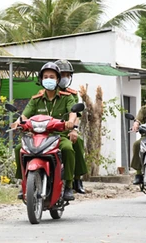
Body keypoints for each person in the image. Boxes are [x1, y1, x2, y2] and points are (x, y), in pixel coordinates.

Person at [11, 62, 77, 201]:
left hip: (58, 136)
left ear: (57, 80)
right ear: (41, 80)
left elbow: (73, 112)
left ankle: (69, 184)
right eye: (45, 76)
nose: (48, 79)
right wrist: (18, 122)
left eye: (52, 77)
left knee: (68, 149)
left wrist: (70, 122)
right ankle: (22, 181)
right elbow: (25, 115)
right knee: (19, 149)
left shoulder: (67, 97)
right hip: (38, 136)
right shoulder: (36, 99)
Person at [54, 59, 88, 194]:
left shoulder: (72, 95)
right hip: (47, 130)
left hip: (66, 130)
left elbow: (75, 114)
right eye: (62, 74)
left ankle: (77, 178)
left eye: (67, 75)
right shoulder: (43, 93)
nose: (64, 78)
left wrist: (73, 128)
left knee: (77, 141)